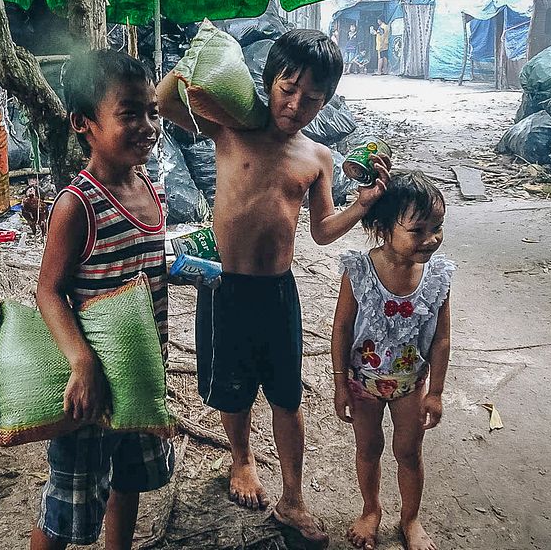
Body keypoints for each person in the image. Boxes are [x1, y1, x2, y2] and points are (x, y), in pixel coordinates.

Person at [158, 29, 390, 547]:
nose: (297, 103)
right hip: (226, 288)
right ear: (268, 82)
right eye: (288, 88)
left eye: (313, 97)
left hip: (279, 292)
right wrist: (196, 55)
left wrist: (364, 203)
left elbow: (322, 230)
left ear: (327, 100)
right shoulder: (232, 128)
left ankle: (293, 499)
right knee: (233, 390)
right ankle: (241, 461)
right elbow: (165, 101)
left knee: (288, 398)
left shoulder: (318, 158)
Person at [30, 50, 174, 550]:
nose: (149, 125)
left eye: (152, 110)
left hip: (140, 374)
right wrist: (81, 361)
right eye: (129, 112)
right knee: (67, 504)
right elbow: (48, 292)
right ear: (83, 123)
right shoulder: (77, 204)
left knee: (128, 480)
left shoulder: (152, 190)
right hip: (91, 388)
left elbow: (142, 266)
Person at [330, 172, 454, 550]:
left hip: (410, 385)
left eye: (437, 227)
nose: (430, 239)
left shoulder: (437, 277)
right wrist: (339, 384)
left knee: (408, 452)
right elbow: (342, 329)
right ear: (383, 229)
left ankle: (411, 519)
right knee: (368, 448)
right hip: (362, 383)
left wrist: (436, 392)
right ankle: (371, 511)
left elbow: (442, 339)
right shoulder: (359, 272)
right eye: (418, 230)